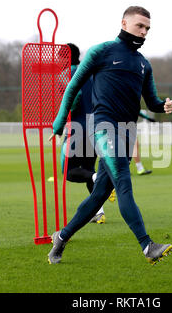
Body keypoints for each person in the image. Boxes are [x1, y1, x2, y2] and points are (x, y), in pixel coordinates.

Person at [48, 6, 172, 265]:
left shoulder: (143, 64)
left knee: (99, 195)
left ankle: (61, 238)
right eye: (140, 26)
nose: (144, 32)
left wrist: (163, 105)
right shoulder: (102, 51)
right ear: (124, 23)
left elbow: (151, 101)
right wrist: (59, 123)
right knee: (124, 184)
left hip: (128, 133)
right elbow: (72, 87)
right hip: (103, 128)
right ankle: (147, 245)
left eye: (148, 28)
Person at [60, 43, 114, 225]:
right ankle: (99, 212)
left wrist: (61, 121)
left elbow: (73, 101)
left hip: (78, 126)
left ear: (64, 58)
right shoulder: (90, 73)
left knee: (69, 172)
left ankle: (100, 179)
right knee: (88, 170)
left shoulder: (66, 75)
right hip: (96, 125)